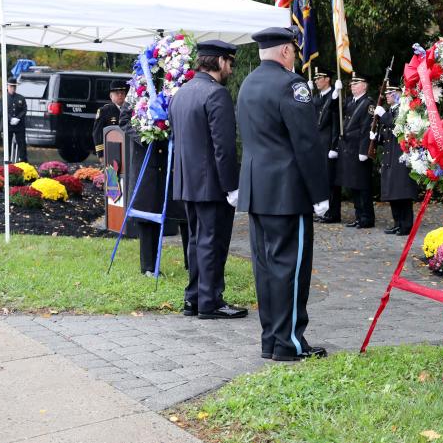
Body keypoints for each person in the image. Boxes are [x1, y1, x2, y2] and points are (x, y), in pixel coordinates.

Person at [237, 26, 329, 361]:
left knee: (266, 268)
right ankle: (289, 343)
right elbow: (306, 143)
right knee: (291, 268)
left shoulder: (248, 83)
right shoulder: (292, 85)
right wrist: (320, 193)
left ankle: (272, 340)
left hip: (257, 191)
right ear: (286, 52)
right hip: (288, 194)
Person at [168, 40, 247, 320]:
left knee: (196, 241)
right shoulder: (216, 94)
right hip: (212, 183)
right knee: (212, 243)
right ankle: (210, 301)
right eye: (230, 63)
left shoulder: (182, 92)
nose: (231, 69)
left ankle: (194, 298)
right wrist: (232, 186)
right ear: (221, 61)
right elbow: (223, 147)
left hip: (188, 181)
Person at [119, 96, 189, 277]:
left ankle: (192, 261)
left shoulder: (175, 82)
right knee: (148, 211)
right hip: (147, 159)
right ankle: (149, 266)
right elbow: (124, 120)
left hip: (170, 159)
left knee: (184, 212)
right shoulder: (137, 88)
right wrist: (144, 135)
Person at [375, 84, 419, 235]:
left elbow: (397, 125)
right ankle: (397, 222)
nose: (387, 95)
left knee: (402, 191)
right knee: (392, 192)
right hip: (390, 155)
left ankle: (406, 225)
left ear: (399, 94)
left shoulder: (403, 110)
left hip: (400, 155)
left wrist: (383, 116)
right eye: (386, 93)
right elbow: (388, 133)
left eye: (391, 93)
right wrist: (377, 137)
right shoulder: (390, 110)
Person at [337, 73, 375, 228]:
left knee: (363, 186)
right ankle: (359, 216)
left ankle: (367, 217)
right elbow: (337, 110)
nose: (352, 86)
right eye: (351, 84)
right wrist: (336, 94)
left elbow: (367, 128)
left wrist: (364, 150)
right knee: (354, 185)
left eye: (356, 83)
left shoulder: (368, 103)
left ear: (364, 85)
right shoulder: (351, 102)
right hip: (349, 150)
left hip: (360, 149)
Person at [312, 68, 343, 224]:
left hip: (329, 144)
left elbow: (336, 123)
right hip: (318, 145)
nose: (316, 81)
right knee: (321, 180)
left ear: (327, 80)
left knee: (331, 180)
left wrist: (334, 146)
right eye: (315, 79)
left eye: (319, 78)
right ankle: (323, 211)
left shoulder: (334, 96)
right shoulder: (318, 97)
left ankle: (333, 213)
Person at [92, 80, 128, 161]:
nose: (120, 95)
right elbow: (97, 133)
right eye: (117, 93)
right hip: (111, 149)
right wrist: (101, 153)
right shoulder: (105, 111)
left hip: (127, 149)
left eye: (122, 93)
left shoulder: (130, 110)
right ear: (111, 96)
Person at [3, 77, 27, 162]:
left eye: (14, 86)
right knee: (7, 143)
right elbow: (0, 111)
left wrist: (17, 118)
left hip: (19, 124)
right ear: (7, 86)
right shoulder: (3, 97)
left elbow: (24, 110)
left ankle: (23, 160)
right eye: (11, 86)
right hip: (8, 124)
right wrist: (10, 118)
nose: (12, 88)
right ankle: (7, 160)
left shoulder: (21, 98)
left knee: (22, 143)